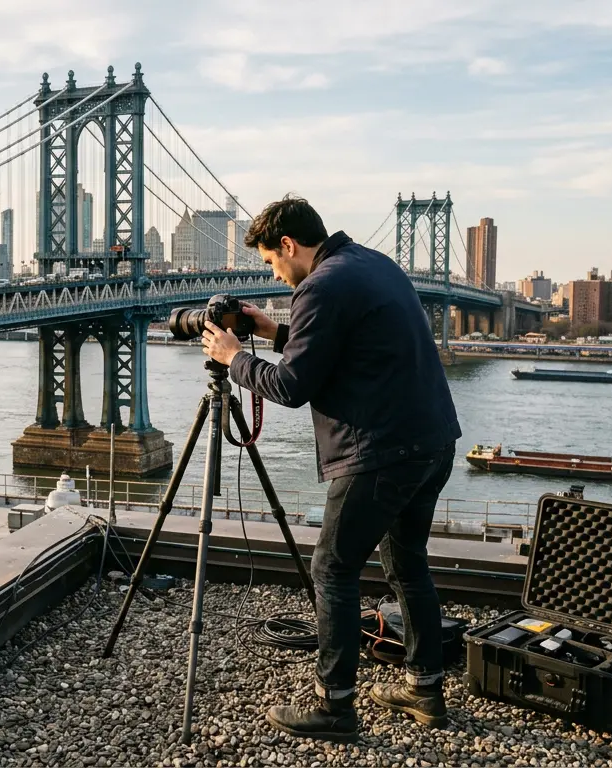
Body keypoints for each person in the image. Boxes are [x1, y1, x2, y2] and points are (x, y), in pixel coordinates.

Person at [200, 195, 462, 741]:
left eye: (272, 262)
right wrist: (274, 334)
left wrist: (233, 357)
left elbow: (292, 387)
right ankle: (424, 690)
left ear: (289, 246)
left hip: (380, 451)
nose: (276, 271)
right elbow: (346, 347)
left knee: (332, 570)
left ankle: (334, 706)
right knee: (407, 565)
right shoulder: (371, 263)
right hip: (432, 440)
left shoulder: (318, 286)